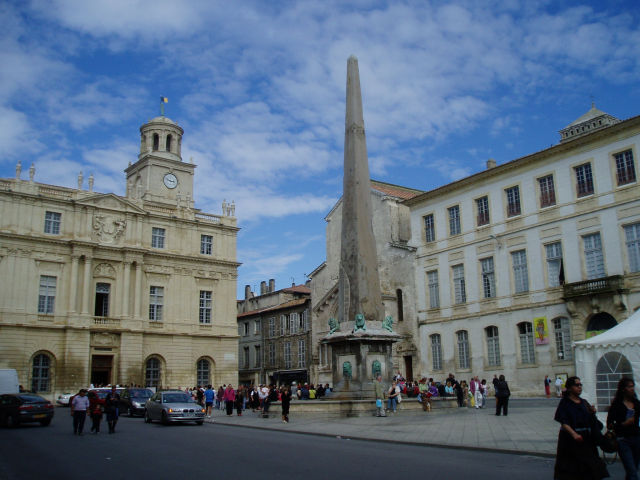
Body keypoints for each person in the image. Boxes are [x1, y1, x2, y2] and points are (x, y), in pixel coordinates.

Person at [554, 376, 609, 480]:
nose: (579, 387)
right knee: (573, 470)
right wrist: (574, 434)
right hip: (571, 440)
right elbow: (563, 421)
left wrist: (592, 412)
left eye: (580, 385)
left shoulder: (584, 402)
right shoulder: (565, 403)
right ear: (570, 388)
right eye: (576, 385)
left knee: (591, 468)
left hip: (586, 440)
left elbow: (591, 419)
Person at [607, 377, 640, 480]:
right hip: (623, 440)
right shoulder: (617, 405)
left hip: (636, 438)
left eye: (633, 386)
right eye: (629, 387)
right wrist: (623, 424)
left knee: (633, 468)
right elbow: (610, 424)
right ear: (623, 389)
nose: (632, 389)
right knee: (632, 471)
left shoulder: (636, 403)